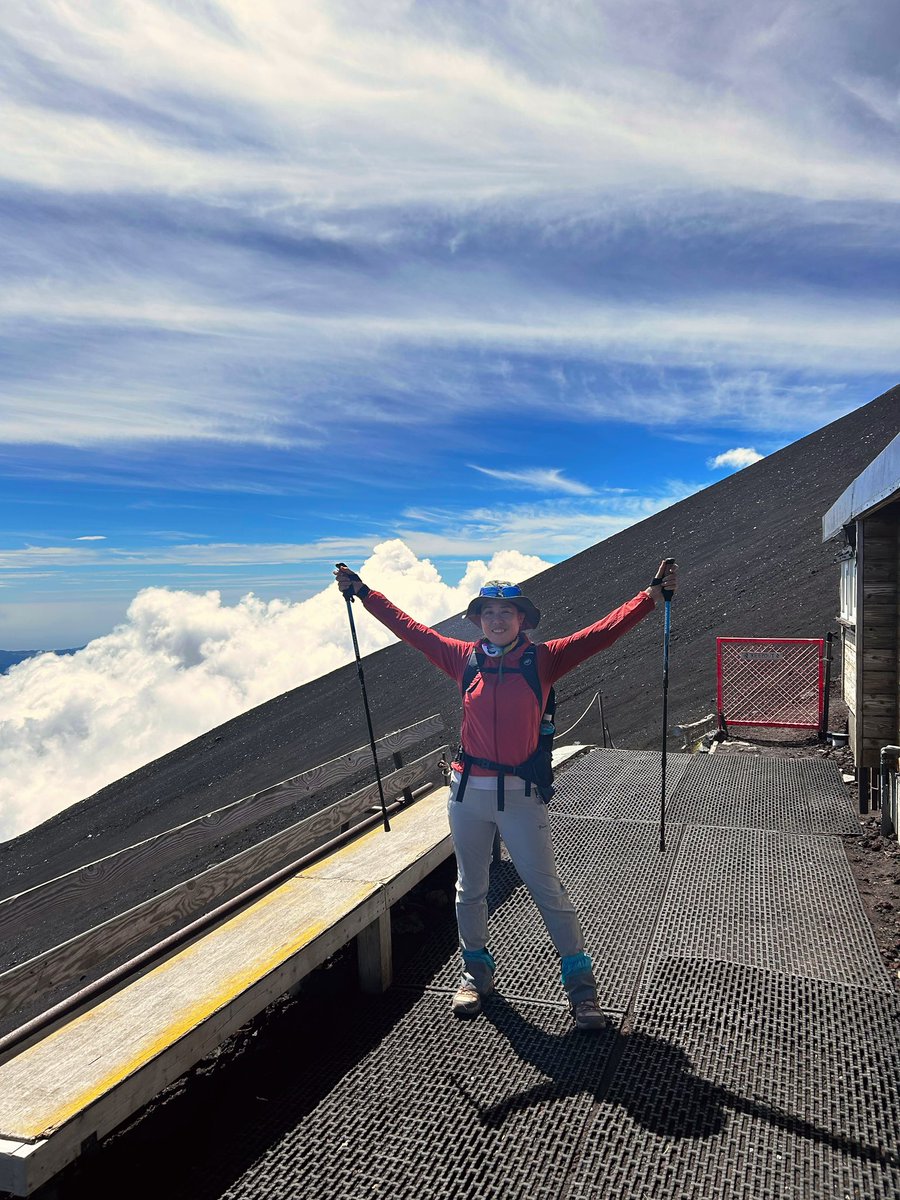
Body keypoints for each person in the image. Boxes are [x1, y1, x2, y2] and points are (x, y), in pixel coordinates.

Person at [334, 558, 678, 1030]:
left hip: (520, 793)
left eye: (507, 612)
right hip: (467, 792)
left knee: (545, 890)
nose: (498, 619)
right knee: (469, 888)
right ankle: (475, 977)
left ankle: (582, 995)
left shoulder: (546, 657)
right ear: (478, 620)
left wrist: (649, 597)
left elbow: (600, 634)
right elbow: (410, 629)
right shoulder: (462, 657)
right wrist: (365, 592)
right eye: (489, 612)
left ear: (522, 620)